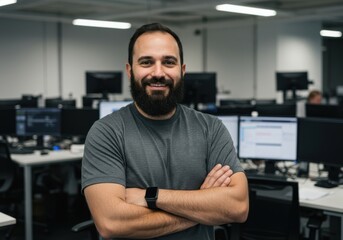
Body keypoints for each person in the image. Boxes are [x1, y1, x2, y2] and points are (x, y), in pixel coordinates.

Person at [82, 23, 249, 240]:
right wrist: (203, 207)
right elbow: (111, 223)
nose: (158, 73)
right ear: (130, 70)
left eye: (169, 62)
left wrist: (151, 196)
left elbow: (238, 207)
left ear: (182, 70)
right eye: (146, 62)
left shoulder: (211, 129)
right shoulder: (106, 132)